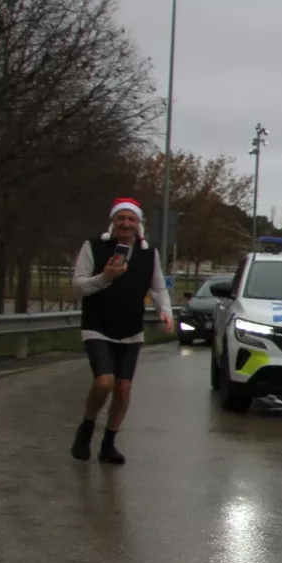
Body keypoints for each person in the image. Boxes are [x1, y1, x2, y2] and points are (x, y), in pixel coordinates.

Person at [69, 198, 175, 465]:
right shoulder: (93, 246)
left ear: (139, 224)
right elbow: (79, 286)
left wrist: (165, 311)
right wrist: (105, 278)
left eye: (131, 219)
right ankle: (87, 427)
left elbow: (158, 287)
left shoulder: (148, 252)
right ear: (113, 222)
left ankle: (109, 443)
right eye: (121, 218)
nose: (126, 224)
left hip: (131, 329)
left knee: (124, 389)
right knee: (104, 381)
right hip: (98, 325)